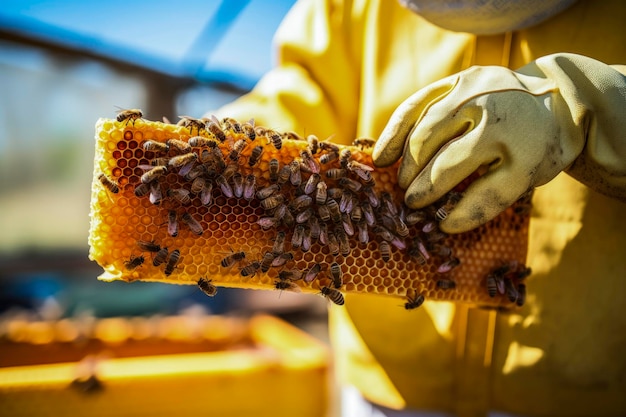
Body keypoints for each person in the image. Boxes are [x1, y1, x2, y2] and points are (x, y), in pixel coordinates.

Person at [212, 0, 626, 416]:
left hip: (579, 388)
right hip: (389, 382)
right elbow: (300, 95)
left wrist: (588, 105)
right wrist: (225, 148)